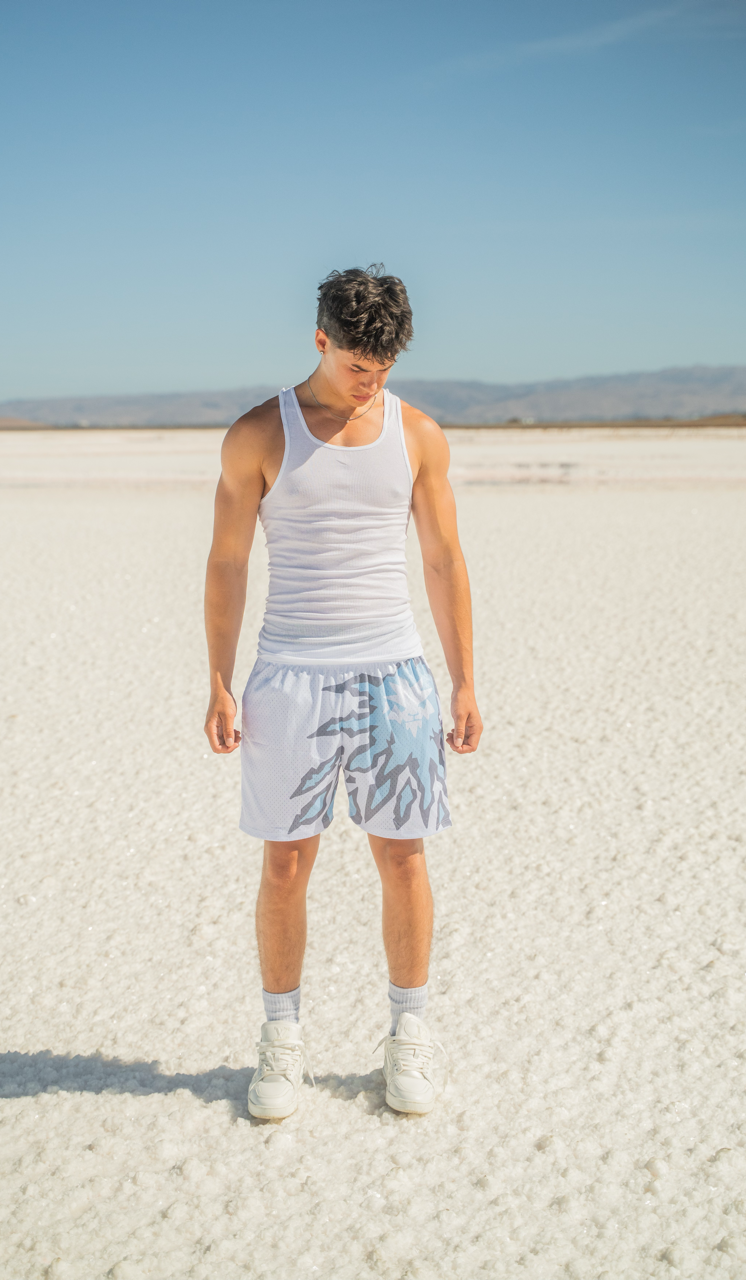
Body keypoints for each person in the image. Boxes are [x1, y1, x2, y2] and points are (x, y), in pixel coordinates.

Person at [203, 265, 481, 1119]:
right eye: (358, 364)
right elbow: (227, 563)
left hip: (394, 676)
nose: (371, 380)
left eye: (385, 365)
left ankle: (409, 1032)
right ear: (320, 338)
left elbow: (442, 559)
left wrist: (464, 680)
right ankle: (281, 1041)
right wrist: (218, 680)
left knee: (402, 856)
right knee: (286, 863)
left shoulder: (417, 433)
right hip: (289, 677)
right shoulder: (259, 433)